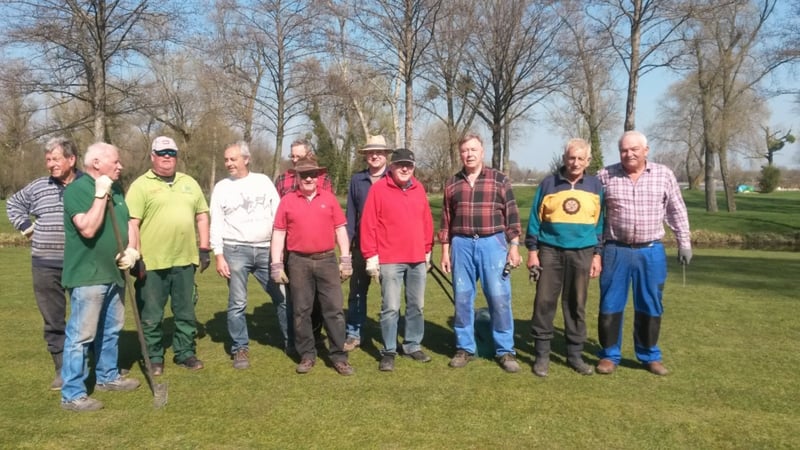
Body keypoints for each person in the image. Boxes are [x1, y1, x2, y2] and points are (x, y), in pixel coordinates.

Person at [595, 130, 692, 376]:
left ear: (646, 150)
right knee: (610, 304)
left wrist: (684, 242)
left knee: (650, 304)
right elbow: (593, 215)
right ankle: (609, 354)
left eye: (634, 149)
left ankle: (650, 355)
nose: (629, 154)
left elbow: (676, 211)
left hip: (650, 251)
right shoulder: (605, 175)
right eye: (624, 150)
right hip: (615, 250)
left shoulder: (664, 175)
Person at [60, 142, 141, 411]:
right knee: (81, 336)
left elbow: (129, 222)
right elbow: (87, 229)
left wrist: (133, 250)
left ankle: (108, 377)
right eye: (115, 161)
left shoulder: (117, 189)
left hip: (113, 273)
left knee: (111, 330)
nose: (121, 166)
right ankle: (72, 393)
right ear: (96, 163)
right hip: (88, 275)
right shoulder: (76, 191)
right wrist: (99, 196)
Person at [126, 136, 210, 376]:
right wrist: (136, 254)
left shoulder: (189, 183)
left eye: (171, 153)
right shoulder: (141, 185)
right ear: (152, 156)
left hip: (184, 259)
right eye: (162, 153)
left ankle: (185, 353)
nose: (167, 157)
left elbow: (202, 215)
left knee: (185, 311)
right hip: (152, 262)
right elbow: (133, 222)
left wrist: (204, 248)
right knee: (151, 314)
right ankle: (153, 356)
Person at [439, 132, 522, 373]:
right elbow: (446, 219)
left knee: (499, 298)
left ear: (482, 152)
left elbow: (512, 215)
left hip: (492, 244)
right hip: (461, 244)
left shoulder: (499, 180)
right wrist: (445, 251)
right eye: (465, 151)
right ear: (460, 154)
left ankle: (505, 351)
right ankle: (464, 347)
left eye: (473, 150)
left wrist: (514, 246)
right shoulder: (452, 183)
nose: (469, 154)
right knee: (463, 299)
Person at [6, 137, 82, 390]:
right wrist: (27, 228)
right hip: (44, 264)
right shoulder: (38, 186)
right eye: (47, 159)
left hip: (80, 263)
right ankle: (61, 369)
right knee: (53, 320)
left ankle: (92, 364)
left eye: (55, 159)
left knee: (86, 317)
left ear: (71, 160)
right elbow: (14, 203)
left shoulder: (86, 185)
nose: (50, 164)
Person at [525, 138, 603, 377]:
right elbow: (535, 220)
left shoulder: (595, 186)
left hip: (583, 251)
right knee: (544, 302)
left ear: (588, 161)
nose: (576, 162)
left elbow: (600, 223)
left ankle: (575, 355)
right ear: (564, 158)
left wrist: (598, 255)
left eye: (581, 158)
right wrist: (532, 251)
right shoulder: (549, 184)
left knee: (576, 304)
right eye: (572, 157)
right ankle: (542, 356)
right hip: (550, 251)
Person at [270, 156, 355, 376]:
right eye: (304, 174)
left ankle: (339, 356)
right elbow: (279, 233)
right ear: (297, 177)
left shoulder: (329, 198)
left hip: (326, 260)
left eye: (312, 174)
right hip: (298, 261)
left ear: (318, 177)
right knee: (301, 311)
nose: (308, 178)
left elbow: (340, 229)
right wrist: (277, 264)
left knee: (334, 310)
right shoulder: (287, 201)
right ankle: (307, 355)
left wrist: (345, 258)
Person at [209, 141, 285, 369]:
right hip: (235, 250)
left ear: (246, 159)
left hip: (266, 250)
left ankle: (293, 341)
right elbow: (216, 222)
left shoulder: (262, 182)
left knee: (283, 297)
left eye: (233, 159)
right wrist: (219, 255)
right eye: (226, 160)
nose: (229, 163)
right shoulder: (222, 187)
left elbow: (278, 213)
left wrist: (278, 250)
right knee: (238, 303)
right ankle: (240, 348)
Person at [359, 148, 434, 371]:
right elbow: (368, 224)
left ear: (413, 168)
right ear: (391, 167)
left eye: (408, 165)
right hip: (390, 258)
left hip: (417, 258)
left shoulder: (419, 188)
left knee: (416, 306)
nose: (404, 168)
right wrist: (371, 256)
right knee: (390, 307)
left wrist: (427, 249)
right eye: (400, 164)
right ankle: (389, 350)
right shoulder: (379, 189)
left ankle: (412, 345)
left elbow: (426, 220)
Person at [274, 139, 331, 348]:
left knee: (318, 297)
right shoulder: (282, 180)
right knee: (298, 297)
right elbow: (278, 214)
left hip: (318, 248)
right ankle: (298, 338)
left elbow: (326, 209)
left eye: (299, 156)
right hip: (291, 248)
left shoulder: (321, 178)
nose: (295, 160)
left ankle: (316, 332)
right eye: (293, 156)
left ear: (309, 156)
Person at [343, 135, 393, 352]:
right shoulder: (357, 180)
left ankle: (389, 336)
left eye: (379, 152)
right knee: (356, 293)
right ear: (365, 156)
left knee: (389, 295)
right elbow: (351, 216)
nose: (374, 156)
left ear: (386, 156)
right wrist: (347, 250)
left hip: (389, 247)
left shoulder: (394, 178)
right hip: (361, 247)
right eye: (370, 153)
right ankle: (354, 333)